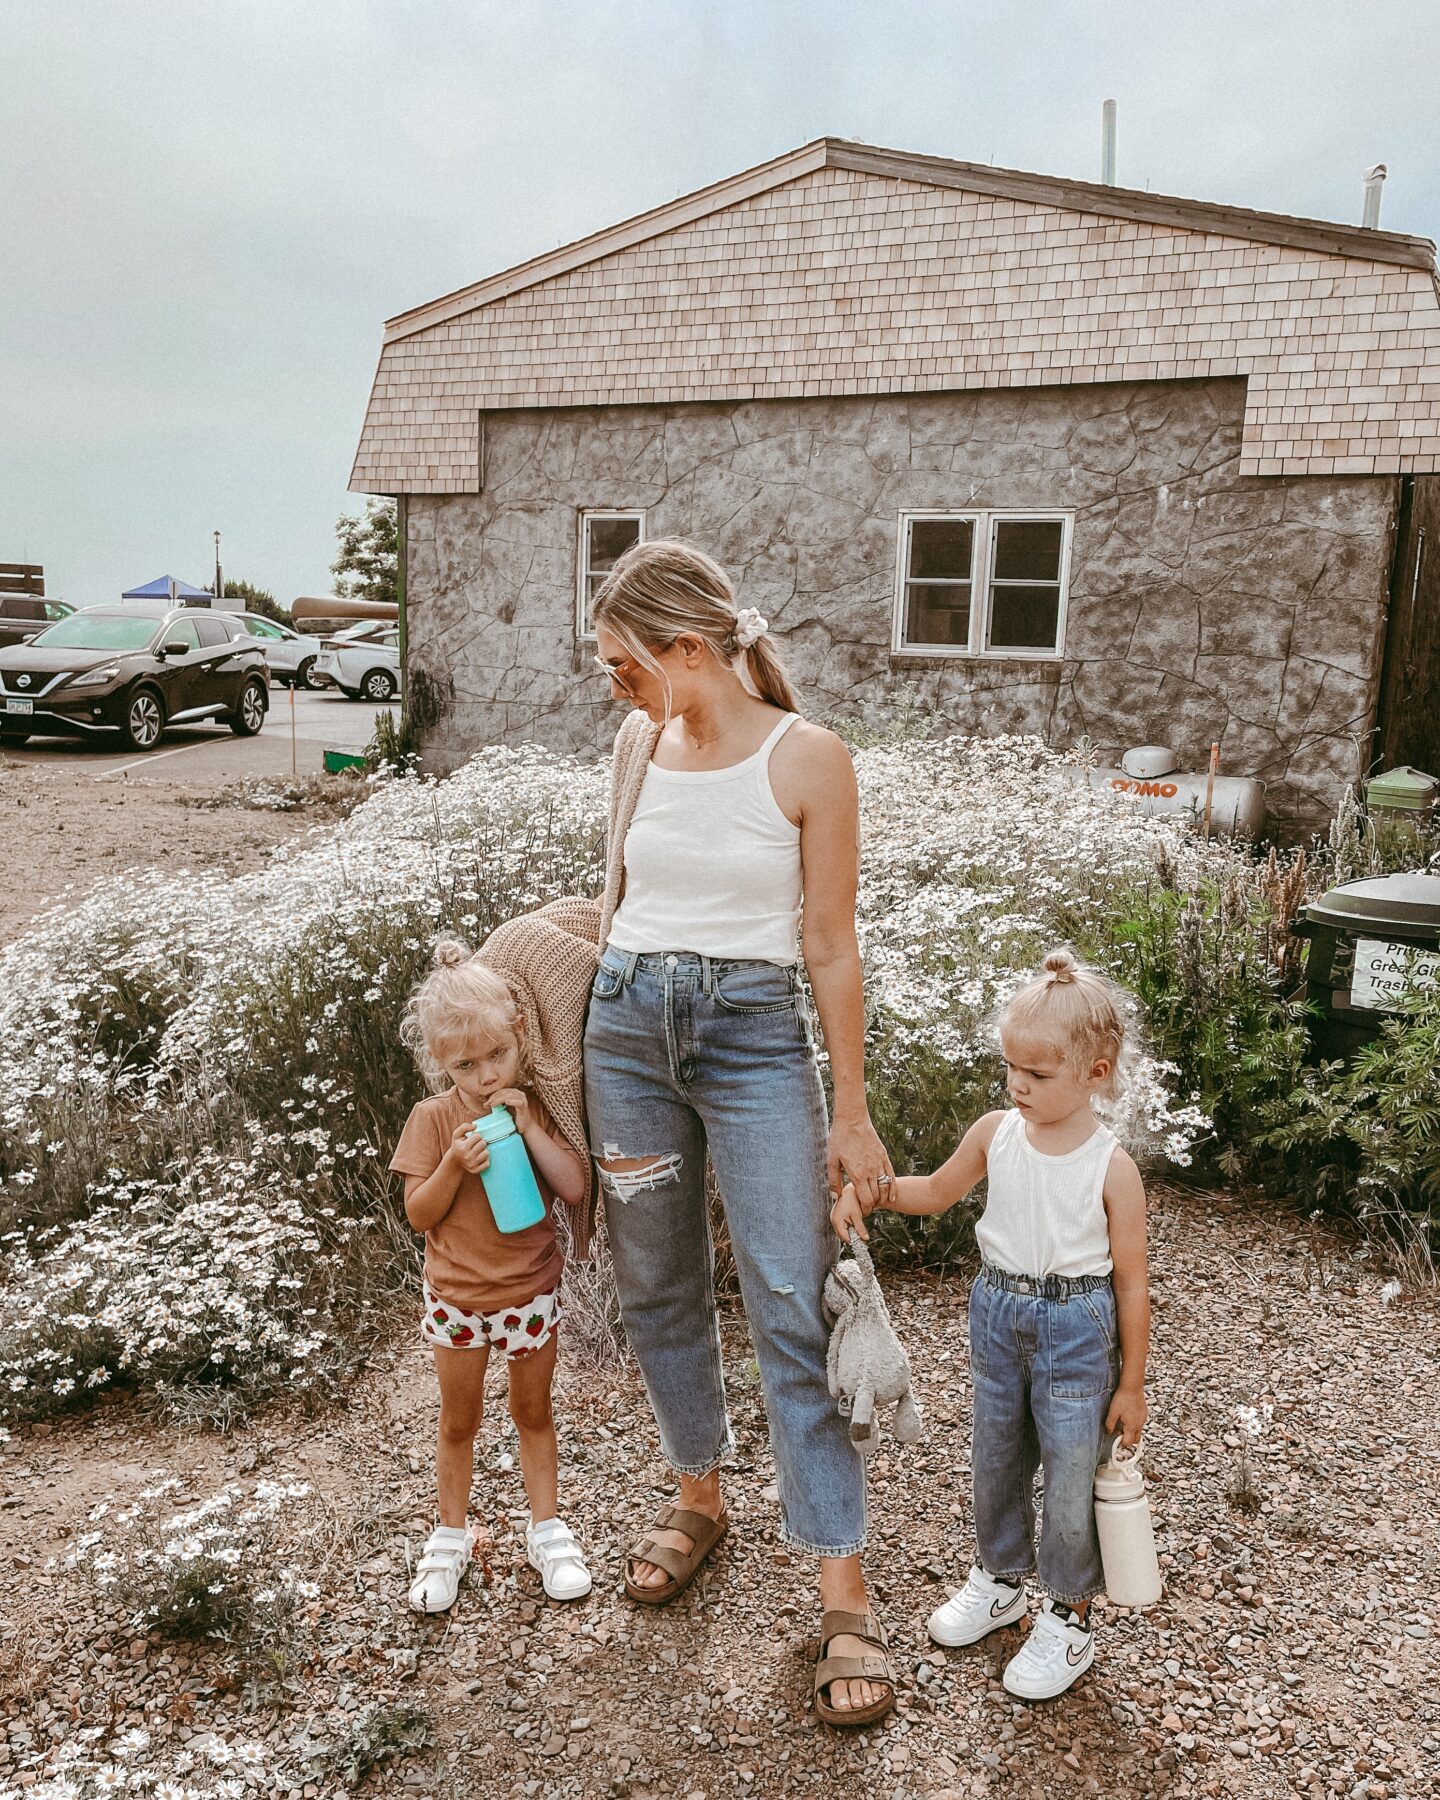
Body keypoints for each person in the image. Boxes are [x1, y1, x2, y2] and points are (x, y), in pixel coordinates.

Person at [584, 538, 898, 1726]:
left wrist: (852, 1113)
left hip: (758, 1036)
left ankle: (840, 1585)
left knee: (788, 1295)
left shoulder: (810, 758)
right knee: (659, 1282)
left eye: (624, 664)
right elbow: (618, 897)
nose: (614, 685)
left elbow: (829, 943)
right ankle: (699, 1497)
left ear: (688, 649)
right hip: (624, 1032)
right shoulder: (635, 745)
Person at [832, 947, 1151, 1702]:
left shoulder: (1112, 1167)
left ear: (1095, 1074)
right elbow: (937, 1192)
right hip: (998, 1314)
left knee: (1073, 1472)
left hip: (1079, 1325)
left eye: (1038, 1075)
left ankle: (1069, 1615)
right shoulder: (994, 1132)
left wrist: (1131, 1383)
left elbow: (1134, 1284)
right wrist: (871, 1196)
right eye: (1012, 1069)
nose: (1018, 1085)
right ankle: (1002, 1576)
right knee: (996, 1453)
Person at [392, 937, 592, 1613]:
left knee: (533, 1412)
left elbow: (572, 1186)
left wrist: (530, 1127)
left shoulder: (530, 1108)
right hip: (457, 1301)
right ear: (440, 1064)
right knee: (458, 1420)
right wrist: (453, 1164)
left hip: (528, 1293)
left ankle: (548, 1530)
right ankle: (449, 1537)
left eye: (497, 1056)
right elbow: (419, 1214)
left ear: (520, 1042)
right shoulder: (433, 1121)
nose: (484, 1075)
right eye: (465, 1064)